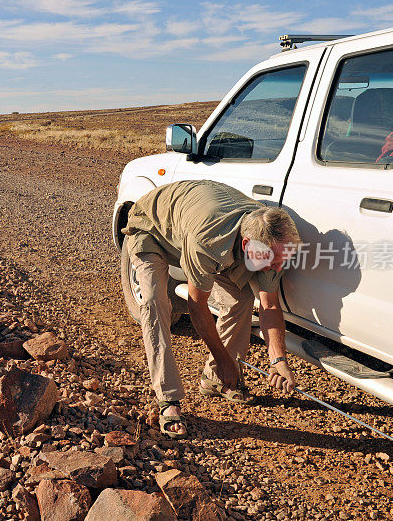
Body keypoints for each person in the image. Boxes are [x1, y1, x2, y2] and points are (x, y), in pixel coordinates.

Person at [122, 180, 300, 439]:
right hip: (152, 230)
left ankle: (215, 379)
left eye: (281, 261)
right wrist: (227, 360)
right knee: (154, 301)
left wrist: (278, 360)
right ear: (247, 245)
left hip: (197, 228)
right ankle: (168, 399)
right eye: (270, 262)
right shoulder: (207, 240)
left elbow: (269, 303)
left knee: (240, 299)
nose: (276, 268)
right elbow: (197, 305)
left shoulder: (273, 248)